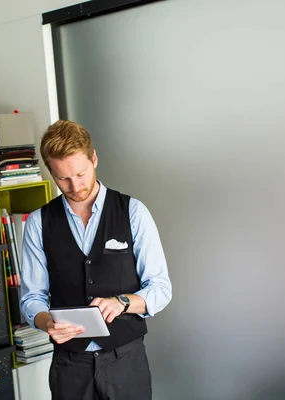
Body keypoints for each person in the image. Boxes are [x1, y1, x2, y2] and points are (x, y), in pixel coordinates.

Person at [19, 120, 172, 400]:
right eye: (62, 178)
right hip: (69, 367)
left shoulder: (133, 212)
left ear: (94, 158)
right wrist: (46, 323)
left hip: (125, 361)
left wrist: (122, 302)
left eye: (81, 173)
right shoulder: (39, 223)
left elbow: (160, 288)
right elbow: (32, 298)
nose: (75, 186)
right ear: (50, 171)